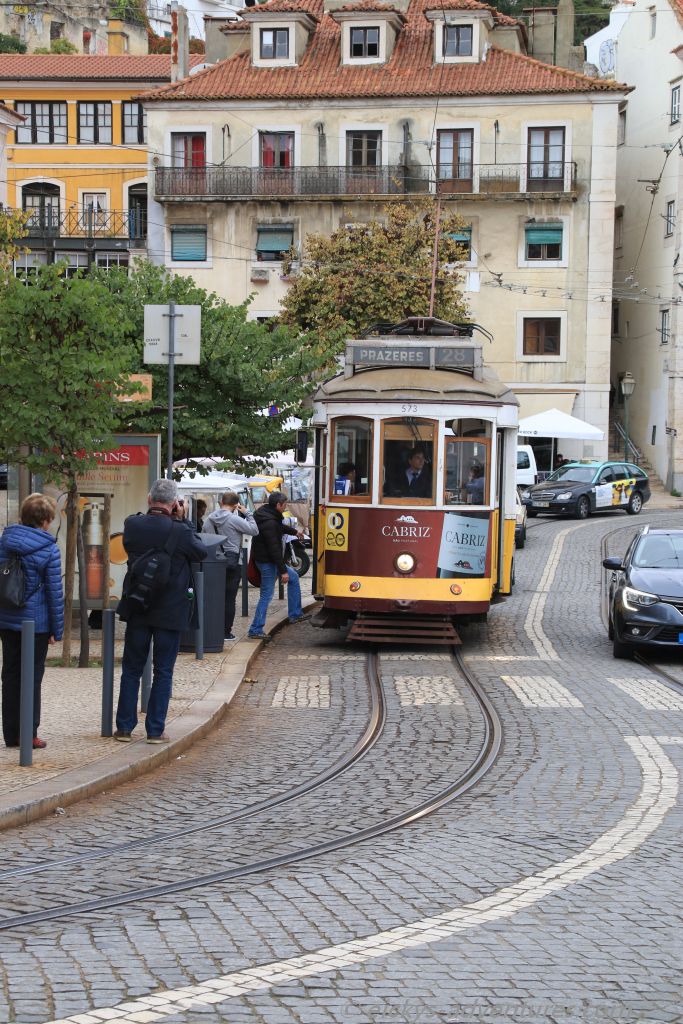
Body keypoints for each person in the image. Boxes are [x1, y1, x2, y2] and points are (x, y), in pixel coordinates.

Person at [114, 478, 207, 744]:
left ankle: (123, 728)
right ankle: (155, 731)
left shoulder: (133, 524)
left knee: (131, 669)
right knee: (163, 670)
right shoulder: (180, 530)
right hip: (170, 610)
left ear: (148, 498)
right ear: (175, 503)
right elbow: (200, 552)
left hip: (139, 605)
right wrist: (185, 520)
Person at [0, 493, 63, 750]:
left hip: (7, 618)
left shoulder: (5, 542)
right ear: (46, 521)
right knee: (32, 677)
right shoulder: (48, 548)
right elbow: (54, 592)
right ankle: (29, 734)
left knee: (10, 675)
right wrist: (56, 630)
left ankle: (11, 734)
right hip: (36, 623)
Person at [247, 491, 309, 640]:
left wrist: (294, 532)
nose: (286, 507)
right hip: (268, 562)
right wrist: (283, 571)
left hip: (266, 559)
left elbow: (279, 527)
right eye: (284, 505)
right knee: (266, 596)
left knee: (294, 578)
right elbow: (274, 549)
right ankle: (255, 629)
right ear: (278, 505)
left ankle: (295, 614)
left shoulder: (266, 514)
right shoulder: (269, 522)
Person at [203, 491, 258, 641]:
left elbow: (204, 538)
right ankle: (226, 632)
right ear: (236, 506)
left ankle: (211, 628)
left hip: (214, 562)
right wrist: (248, 513)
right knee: (229, 598)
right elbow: (254, 530)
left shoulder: (209, 519)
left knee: (214, 597)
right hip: (234, 562)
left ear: (221, 503)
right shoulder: (234, 519)